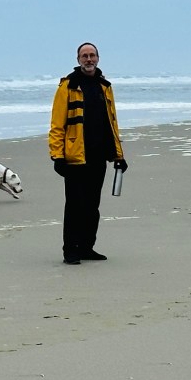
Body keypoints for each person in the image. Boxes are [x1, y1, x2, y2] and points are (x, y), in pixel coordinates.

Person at [48, 42, 128, 264]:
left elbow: (112, 123)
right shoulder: (67, 87)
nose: (89, 59)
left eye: (92, 55)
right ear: (78, 60)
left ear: (98, 58)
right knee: (74, 206)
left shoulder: (105, 86)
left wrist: (119, 156)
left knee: (92, 207)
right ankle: (70, 251)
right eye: (84, 56)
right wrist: (57, 156)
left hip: (98, 157)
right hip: (74, 158)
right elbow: (56, 125)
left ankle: (86, 247)